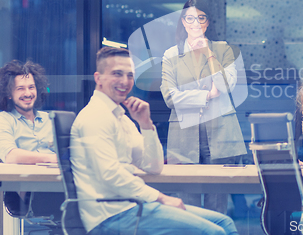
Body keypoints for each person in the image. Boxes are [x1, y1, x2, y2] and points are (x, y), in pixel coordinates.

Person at [70, 47, 238, 235]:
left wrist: (145, 124)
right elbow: (111, 176)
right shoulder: (95, 116)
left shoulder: (120, 117)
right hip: (111, 216)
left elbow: (153, 166)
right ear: (98, 78)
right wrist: (161, 198)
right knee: (215, 233)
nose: (125, 82)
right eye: (117, 74)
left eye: (130, 75)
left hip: (133, 207)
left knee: (224, 223)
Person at [160, 0, 246, 213]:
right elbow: (170, 97)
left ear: (208, 22)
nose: (196, 23)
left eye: (201, 17)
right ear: (183, 22)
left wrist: (209, 54)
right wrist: (207, 95)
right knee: (187, 204)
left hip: (221, 134)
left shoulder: (224, 50)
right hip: (184, 135)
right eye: (190, 18)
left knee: (217, 204)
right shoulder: (171, 54)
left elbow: (226, 85)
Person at [0, 59, 63, 222]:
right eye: (20, 88)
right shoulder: (4, 119)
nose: (27, 93)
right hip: (25, 193)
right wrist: (51, 158)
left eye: (31, 87)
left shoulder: (51, 119)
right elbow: (10, 156)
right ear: (9, 93)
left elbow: (67, 151)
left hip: (60, 186)